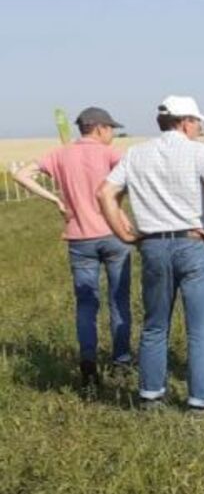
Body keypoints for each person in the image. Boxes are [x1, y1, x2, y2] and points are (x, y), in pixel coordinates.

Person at [97, 95, 204, 413]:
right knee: (200, 330)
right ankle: (200, 401)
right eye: (197, 121)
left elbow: (105, 193)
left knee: (155, 326)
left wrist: (124, 233)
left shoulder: (136, 154)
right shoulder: (200, 153)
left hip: (153, 244)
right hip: (194, 242)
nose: (199, 127)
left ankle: (151, 395)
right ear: (185, 122)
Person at [9, 107, 131, 386]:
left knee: (86, 303)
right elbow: (130, 177)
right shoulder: (110, 154)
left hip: (79, 237)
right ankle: (121, 362)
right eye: (110, 128)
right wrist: (119, 205)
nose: (112, 133)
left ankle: (88, 363)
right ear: (99, 128)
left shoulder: (59, 154)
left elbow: (21, 175)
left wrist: (56, 200)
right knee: (119, 300)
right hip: (114, 234)